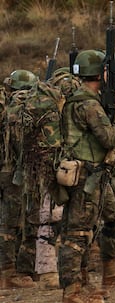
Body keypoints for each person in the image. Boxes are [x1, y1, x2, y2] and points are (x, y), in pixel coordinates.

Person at [58, 50, 115, 303]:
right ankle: (71, 292)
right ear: (99, 73)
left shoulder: (83, 99)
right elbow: (110, 138)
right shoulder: (88, 104)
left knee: (86, 231)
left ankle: (83, 283)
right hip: (85, 176)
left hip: (88, 173)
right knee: (76, 234)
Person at [0, 70, 37, 289]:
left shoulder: (5, 106)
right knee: (11, 222)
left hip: (7, 169)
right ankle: (8, 273)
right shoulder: (15, 109)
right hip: (12, 172)